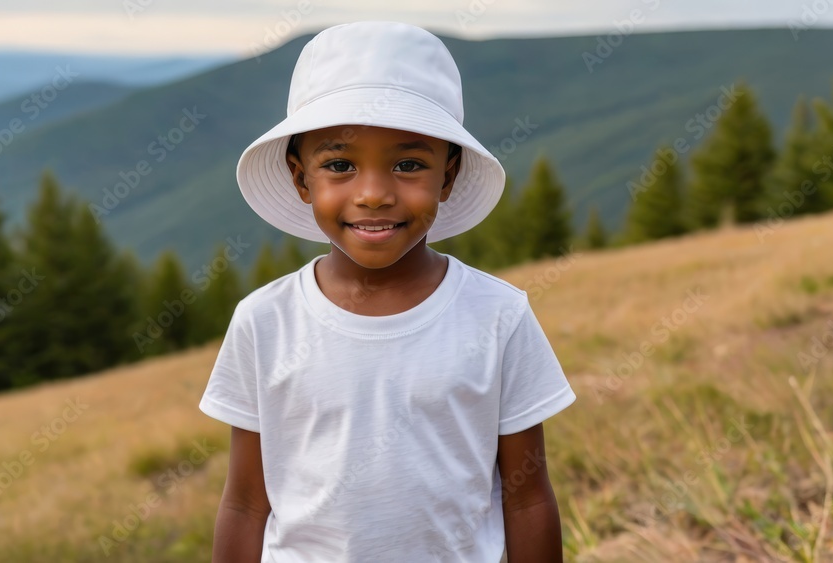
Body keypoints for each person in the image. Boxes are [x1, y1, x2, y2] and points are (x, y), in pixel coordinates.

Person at [198, 21, 576, 562]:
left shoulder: (498, 315)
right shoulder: (265, 321)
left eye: (408, 165)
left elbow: (526, 499)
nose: (374, 195)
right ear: (301, 178)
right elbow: (245, 504)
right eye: (340, 166)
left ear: (448, 176)